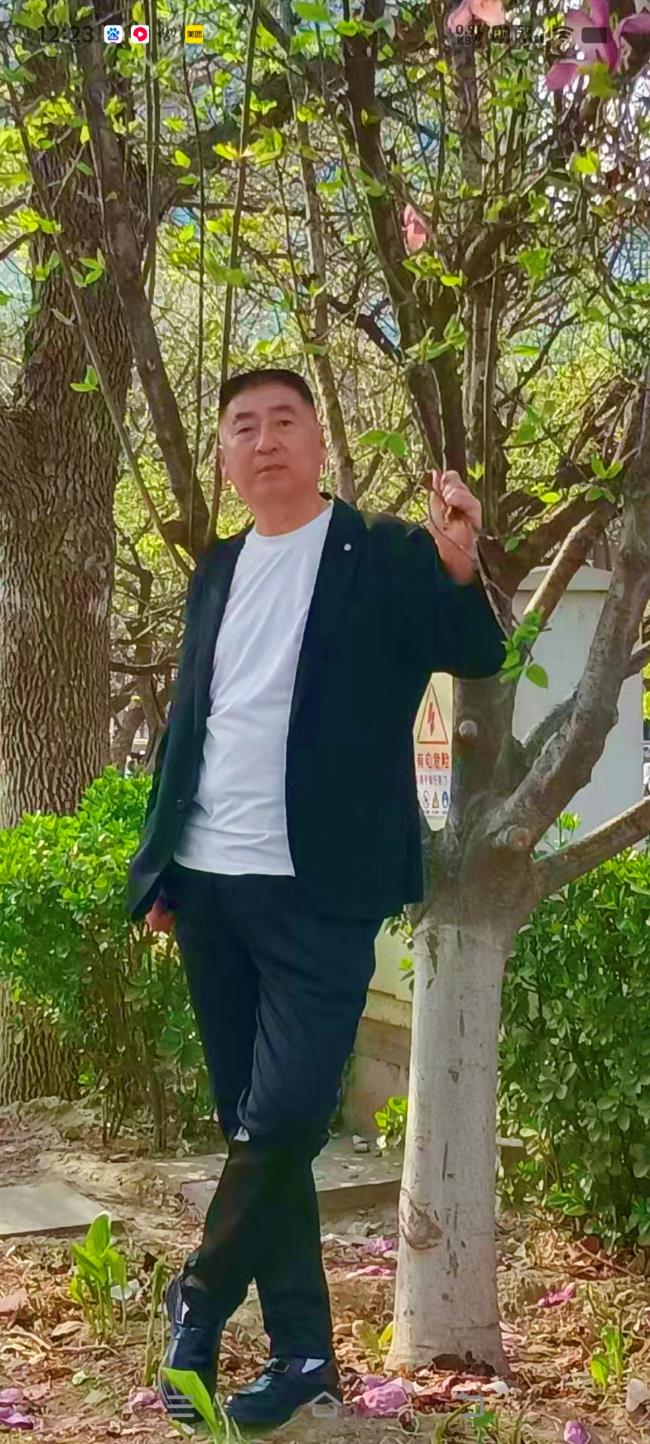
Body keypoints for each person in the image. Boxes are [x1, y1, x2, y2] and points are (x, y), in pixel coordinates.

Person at [126, 367, 506, 1429]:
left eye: (283, 421)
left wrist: (460, 564)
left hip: (321, 891)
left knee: (286, 1115)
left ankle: (199, 1297)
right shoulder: (216, 569)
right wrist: (159, 868)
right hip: (210, 887)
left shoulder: (382, 552)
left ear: (318, 441)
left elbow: (475, 650)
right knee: (259, 1129)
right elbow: (190, 724)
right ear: (223, 458)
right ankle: (303, 1356)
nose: (264, 441)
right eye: (242, 427)